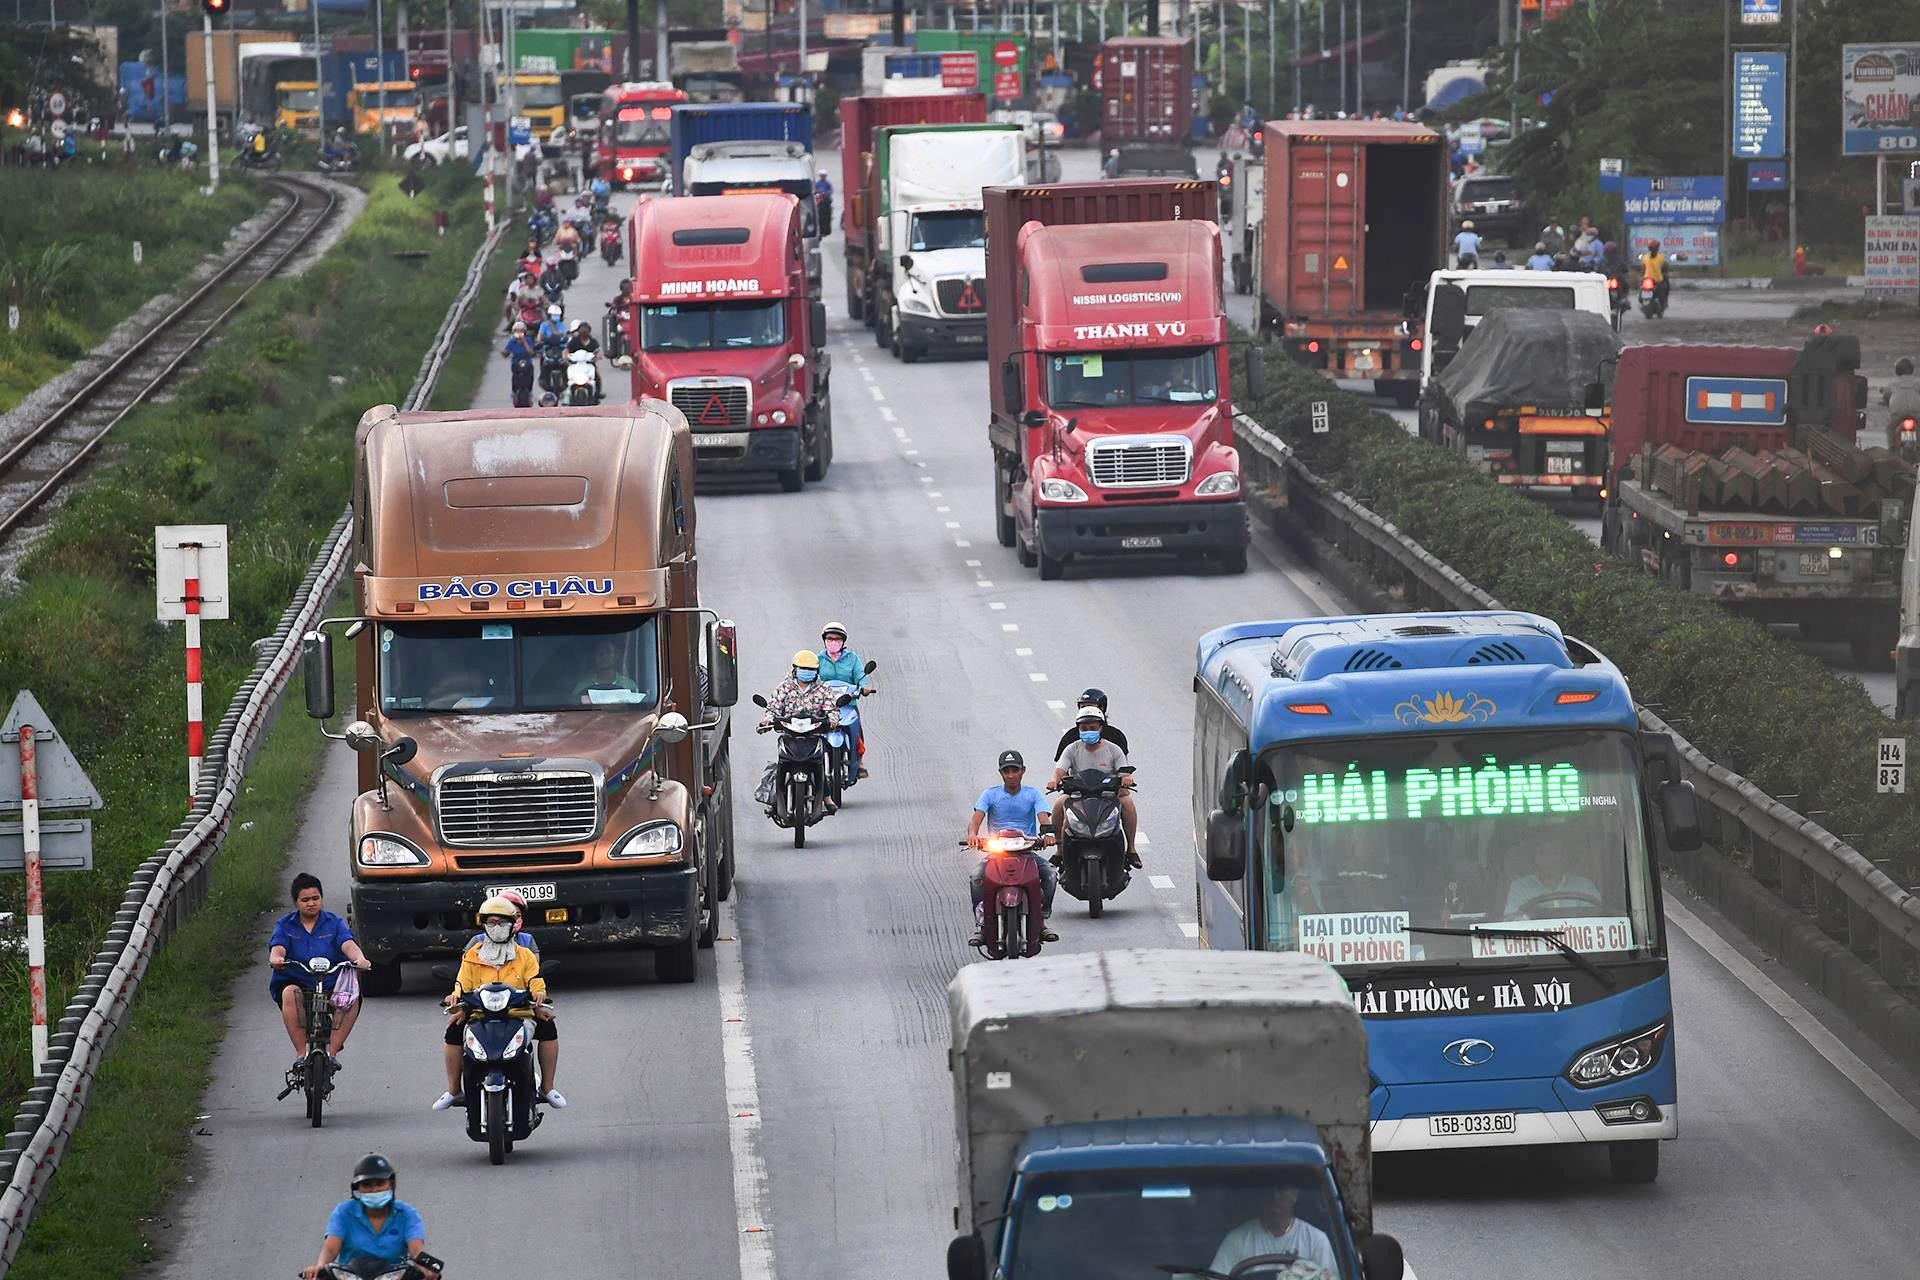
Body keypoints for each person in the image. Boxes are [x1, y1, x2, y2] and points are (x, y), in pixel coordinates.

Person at [433, 896, 565, 1111]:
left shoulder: (525, 955)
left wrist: (538, 995)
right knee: (452, 1032)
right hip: (479, 1015)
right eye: (491, 922)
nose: (496, 927)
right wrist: (455, 998)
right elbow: (462, 984)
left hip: (519, 1013)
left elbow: (535, 980)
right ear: (484, 925)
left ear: (513, 925)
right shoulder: (472, 956)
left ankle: (547, 1088)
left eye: (502, 922)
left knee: (549, 1027)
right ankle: (454, 1090)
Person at [268, 874, 373, 1074]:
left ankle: (332, 1053)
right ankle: (302, 1054)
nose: (311, 903)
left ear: (321, 898)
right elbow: (278, 947)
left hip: (331, 980)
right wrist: (277, 958)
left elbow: (347, 944)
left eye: (315, 898)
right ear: (296, 902)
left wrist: (360, 958)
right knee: (290, 993)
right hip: (297, 979)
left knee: (350, 998)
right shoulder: (285, 925)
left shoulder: (334, 923)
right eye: (305, 900)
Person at [966, 749, 1058, 946]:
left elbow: (1043, 817)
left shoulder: (1033, 794)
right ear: (1001, 773)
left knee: (1050, 874)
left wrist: (1048, 835)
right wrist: (972, 835)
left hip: (1026, 851)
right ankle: (982, 926)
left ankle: (1041, 920)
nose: (1011, 775)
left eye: (1014, 770)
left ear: (1022, 771)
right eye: (1006, 771)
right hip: (996, 853)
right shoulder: (990, 794)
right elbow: (976, 819)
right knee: (976, 878)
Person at [300, 1154, 438, 1280]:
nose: (374, 1190)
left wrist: (429, 1267)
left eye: (380, 1183)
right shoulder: (344, 1212)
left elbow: (416, 1251)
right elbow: (331, 1249)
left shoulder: (407, 1214)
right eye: (367, 1185)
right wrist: (319, 1267)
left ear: (391, 1184)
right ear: (357, 1188)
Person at [1048, 707, 1140, 868]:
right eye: (1084, 728)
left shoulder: (1113, 749)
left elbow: (1124, 772)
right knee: (1058, 805)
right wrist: (1054, 780)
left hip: (1108, 794)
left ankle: (1131, 849)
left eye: (1092, 728)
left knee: (1128, 803)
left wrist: (1126, 778)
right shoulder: (1072, 749)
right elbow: (1059, 771)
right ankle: (1060, 850)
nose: (1088, 731)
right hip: (1077, 795)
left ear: (1100, 728)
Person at [1208, 1184, 1341, 1277]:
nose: (1276, 1195)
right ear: (1261, 1195)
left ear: (1295, 1195)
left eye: (1282, 1189)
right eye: (1269, 1189)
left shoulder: (1316, 1240)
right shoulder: (1238, 1239)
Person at [815, 622, 872, 778]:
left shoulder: (852, 659)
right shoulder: (818, 659)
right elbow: (812, 678)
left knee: (856, 729)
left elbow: (860, 676)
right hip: (824, 705)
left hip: (847, 704)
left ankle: (859, 761)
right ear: (824, 640)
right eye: (830, 639)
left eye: (837, 639)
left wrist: (864, 687)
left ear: (843, 641)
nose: (833, 642)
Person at [1503, 839, 1602, 918]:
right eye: (1543, 853)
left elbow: (1598, 918)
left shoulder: (1585, 886)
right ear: (1535, 858)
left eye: (1554, 853)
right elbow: (1512, 920)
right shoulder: (1520, 887)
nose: (1548, 859)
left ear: (1564, 857)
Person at [1052, 687, 1129, 758]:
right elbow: (1060, 765)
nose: (1087, 711)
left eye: (1090, 706)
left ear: (1102, 708)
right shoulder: (1070, 737)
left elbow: (1122, 763)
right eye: (1083, 707)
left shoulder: (1115, 736)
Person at [573, 632, 642, 703]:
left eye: (608, 652)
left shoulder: (629, 685)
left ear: (616, 656)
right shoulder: (583, 685)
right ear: (594, 657)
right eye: (600, 653)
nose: (604, 656)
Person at [504, 321, 537, 406]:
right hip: (516, 362)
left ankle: (530, 393)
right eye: (517, 331)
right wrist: (505, 352)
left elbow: (531, 352)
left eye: (521, 331)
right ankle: (514, 392)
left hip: (527, 362)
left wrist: (524, 342)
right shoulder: (512, 341)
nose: (519, 333)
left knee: (530, 375)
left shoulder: (528, 340)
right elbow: (506, 351)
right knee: (515, 376)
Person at [1640, 239, 1668, 309]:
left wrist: (1642, 276)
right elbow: (1665, 266)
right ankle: (1663, 305)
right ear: (1657, 248)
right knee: (1664, 291)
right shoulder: (1661, 257)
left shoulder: (1645, 257)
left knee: (1641, 288)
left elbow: (1643, 269)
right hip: (1657, 280)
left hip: (1646, 279)